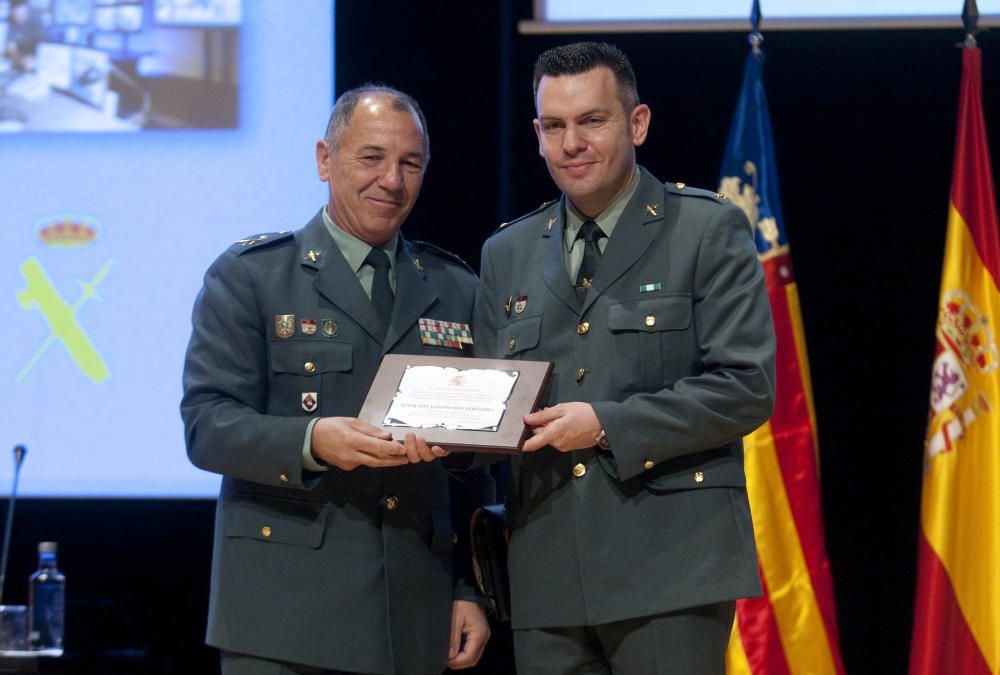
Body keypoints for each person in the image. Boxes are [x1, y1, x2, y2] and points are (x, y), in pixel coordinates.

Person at [473, 42, 776, 674]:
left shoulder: (706, 230)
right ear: (536, 134)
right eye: (554, 126)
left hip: (672, 570)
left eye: (592, 120)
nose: (572, 142)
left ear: (636, 123)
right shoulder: (508, 252)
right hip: (547, 574)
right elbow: (488, 402)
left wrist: (609, 424)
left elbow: (744, 386)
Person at [181, 84, 490, 675]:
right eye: (370, 157)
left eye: (410, 163)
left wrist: (468, 590)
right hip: (285, 614)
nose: (391, 180)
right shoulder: (253, 277)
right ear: (326, 159)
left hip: (414, 611)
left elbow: (478, 469)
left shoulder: (456, 287)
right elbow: (207, 426)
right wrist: (311, 442)